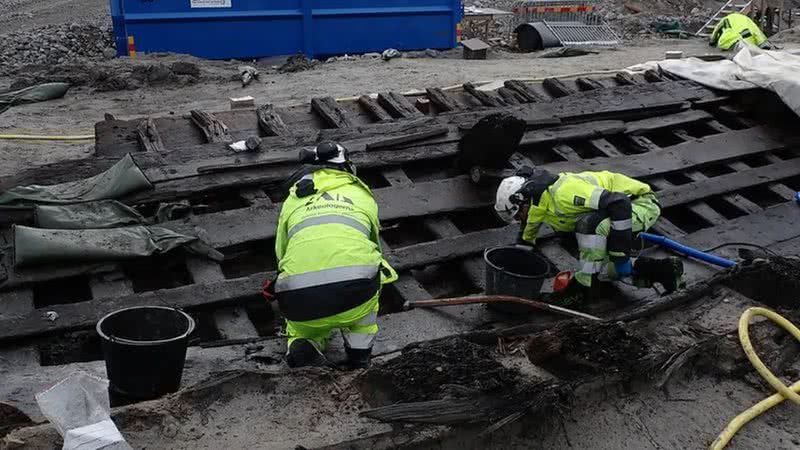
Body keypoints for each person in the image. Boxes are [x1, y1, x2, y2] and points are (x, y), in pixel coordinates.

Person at [263, 142, 397, 368]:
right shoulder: (360, 193)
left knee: (300, 324)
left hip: (299, 296)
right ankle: (359, 353)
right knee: (369, 282)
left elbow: (282, 252)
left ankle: (304, 340)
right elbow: (373, 245)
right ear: (347, 168)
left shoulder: (293, 199)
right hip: (356, 292)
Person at [494, 166, 684, 305]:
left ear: (522, 201)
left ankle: (583, 288)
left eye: (518, 214)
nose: (519, 219)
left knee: (588, 225)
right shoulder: (536, 202)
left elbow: (619, 204)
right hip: (610, 213)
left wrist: (620, 254)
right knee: (609, 271)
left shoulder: (564, 194)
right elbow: (529, 230)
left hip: (639, 204)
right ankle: (667, 270)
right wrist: (519, 257)